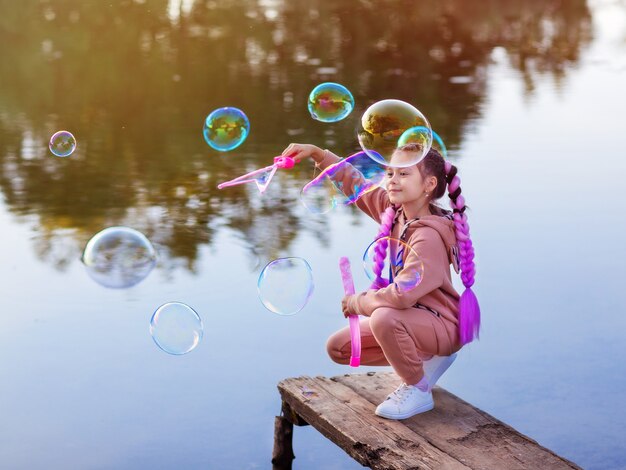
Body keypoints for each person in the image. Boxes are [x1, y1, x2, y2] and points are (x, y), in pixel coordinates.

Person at [281, 142, 480, 420]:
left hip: (442, 324)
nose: (392, 180)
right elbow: (356, 185)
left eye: (404, 174)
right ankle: (422, 359)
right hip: (414, 321)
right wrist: (318, 153)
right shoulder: (394, 211)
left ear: (428, 184)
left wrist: (357, 302)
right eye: (389, 173)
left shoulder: (430, 236)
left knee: (384, 318)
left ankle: (418, 388)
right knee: (340, 348)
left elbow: (401, 295)